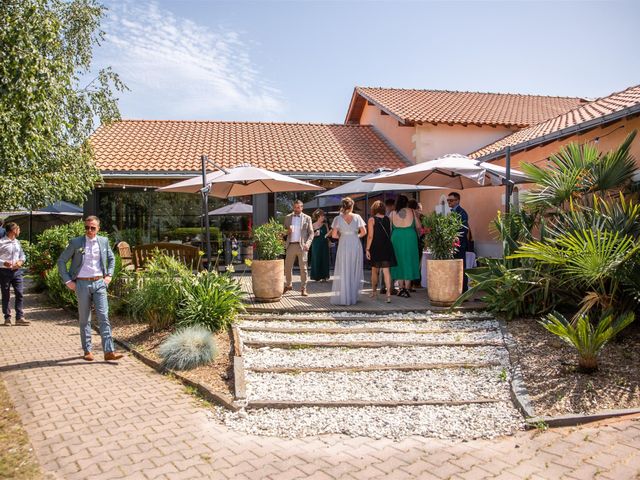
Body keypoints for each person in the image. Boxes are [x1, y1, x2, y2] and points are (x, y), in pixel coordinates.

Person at [57, 216, 123, 362]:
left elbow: (111, 259)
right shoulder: (76, 242)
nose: (89, 230)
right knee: (84, 319)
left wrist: (109, 276)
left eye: (93, 228)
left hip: (99, 283)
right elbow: (61, 260)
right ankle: (87, 351)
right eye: (87, 227)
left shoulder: (104, 241)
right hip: (81, 284)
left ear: (98, 228)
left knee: (104, 317)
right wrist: (68, 281)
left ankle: (109, 351)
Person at [330, 197, 367, 305]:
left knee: (344, 268)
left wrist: (343, 235)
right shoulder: (357, 217)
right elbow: (364, 232)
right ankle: (352, 295)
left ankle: (344, 295)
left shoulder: (337, 218)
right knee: (354, 268)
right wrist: (355, 236)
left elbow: (334, 235)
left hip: (343, 243)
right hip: (355, 243)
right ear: (352, 206)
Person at [390, 195, 420, 298]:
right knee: (409, 260)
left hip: (396, 237)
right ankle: (407, 289)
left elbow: (390, 228)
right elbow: (418, 226)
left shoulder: (392, 213)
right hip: (409, 237)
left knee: (398, 261)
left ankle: (400, 288)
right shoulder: (412, 211)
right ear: (407, 202)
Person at [366, 201, 396, 303]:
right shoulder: (388, 219)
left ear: (374, 209)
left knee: (375, 270)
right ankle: (388, 295)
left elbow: (370, 236)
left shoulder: (371, 219)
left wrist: (367, 249)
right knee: (386, 271)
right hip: (387, 246)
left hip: (375, 247)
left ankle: (374, 291)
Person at [283, 200, 314, 296]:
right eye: (295, 207)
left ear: (302, 207)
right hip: (291, 245)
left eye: (298, 207)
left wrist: (308, 244)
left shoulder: (307, 218)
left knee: (303, 268)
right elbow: (282, 232)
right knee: (287, 267)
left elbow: (311, 233)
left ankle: (303, 288)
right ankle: (288, 285)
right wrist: (287, 231)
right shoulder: (288, 218)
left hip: (302, 246)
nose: (296, 209)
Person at [0, 223, 28, 326]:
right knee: (6, 295)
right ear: (13, 230)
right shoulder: (1, 242)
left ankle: (19, 317)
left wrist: (21, 262)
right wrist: (4, 263)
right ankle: (7, 318)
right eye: (18, 229)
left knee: (19, 293)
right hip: (4, 272)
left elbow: (22, 255)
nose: (19, 231)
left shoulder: (17, 242)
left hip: (17, 272)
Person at [447, 192, 470, 291]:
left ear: (457, 201)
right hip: (454, 244)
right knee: (454, 267)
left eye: (451, 200)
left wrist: (455, 238)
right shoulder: (453, 212)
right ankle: (456, 289)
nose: (449, 202)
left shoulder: (462, 212)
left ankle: (463, 290)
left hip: (459, 244)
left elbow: (464, 229)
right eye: (448, 200)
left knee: (460, 267)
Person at [309, 209, 330, 282]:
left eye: (323, 216)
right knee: (316, 259)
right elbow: (309, 236)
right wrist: (314, 234)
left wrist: (329, 236)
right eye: (322, 216)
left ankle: (324, 276)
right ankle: (316, 276)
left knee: (324, 259)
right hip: (316, 244)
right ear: (318, 217)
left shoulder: (325, 225)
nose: (323, 217)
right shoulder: (313, 225)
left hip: (324, 244)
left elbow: (328, 234)